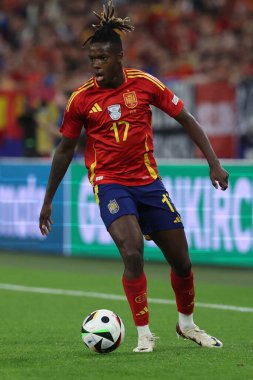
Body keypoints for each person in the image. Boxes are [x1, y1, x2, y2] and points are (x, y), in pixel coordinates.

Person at [39, 0, 229, 353]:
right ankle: (144, 334)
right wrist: (48, 200)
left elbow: (186, 118)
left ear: (119, 56)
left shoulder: (144, 85)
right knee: (132, 252)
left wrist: (213, 163)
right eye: (92, 58)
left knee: (182, 262)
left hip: (148, 182)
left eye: (102, 58)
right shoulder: (81, 100)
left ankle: (187, 325)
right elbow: (65, 150)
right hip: (109, 183)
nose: (96, 65)